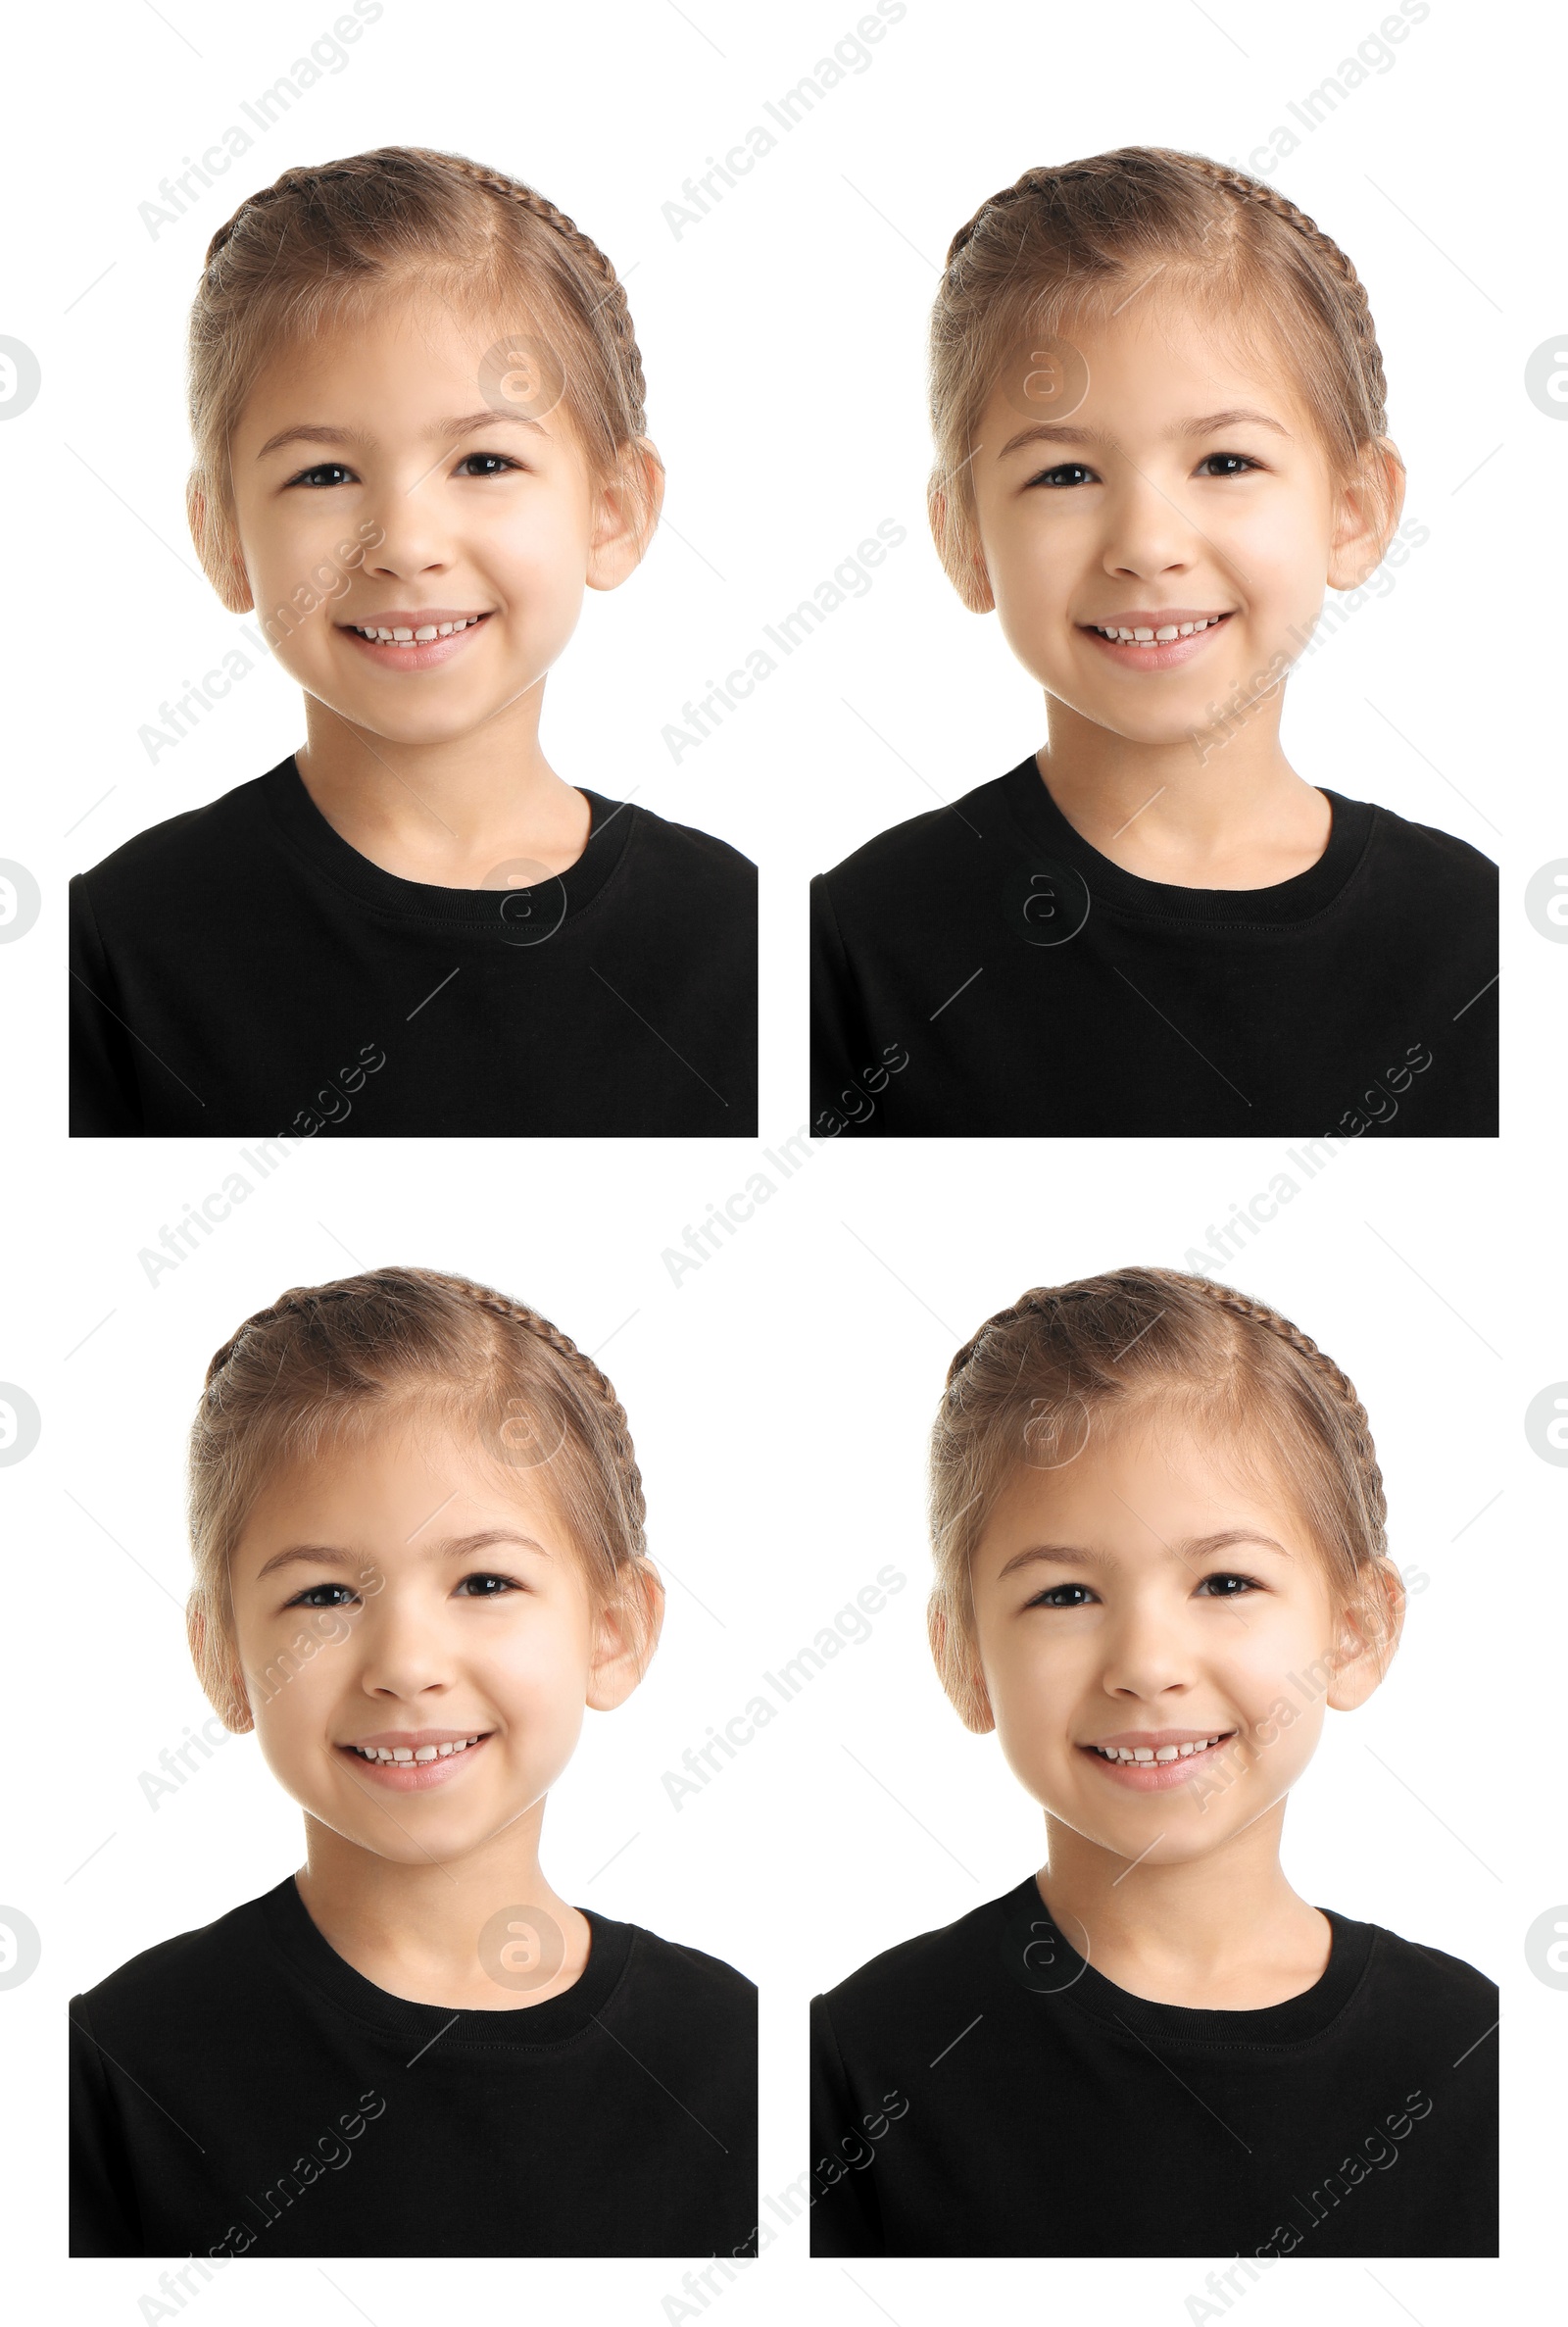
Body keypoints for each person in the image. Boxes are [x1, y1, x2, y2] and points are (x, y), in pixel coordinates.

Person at [809, 1267, 1496, 2256]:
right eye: (1065, 1595)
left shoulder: (1477, 2052)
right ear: (964, 1655)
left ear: (1354, 1629)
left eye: (1224, 1580)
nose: (1145, 1666)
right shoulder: (864, 2057)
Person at [71, 1268, 757, 2257]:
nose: (404, 1666)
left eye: (484, 1580)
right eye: (322, 1596)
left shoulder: (741, 2055)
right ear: (224, 1654)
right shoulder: (118, 2069)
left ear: (612, 1630)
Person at [809, 149, 1495, 1138]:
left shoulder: (1473, 938)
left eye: (1224, 461)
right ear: (964, 536)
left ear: (1353, 509)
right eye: (1065, 474)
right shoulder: (859, 941)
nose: (1146, 545)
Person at [71, 148, 757, 1137]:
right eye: (322, 475)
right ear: (224, 536)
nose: (403, 545)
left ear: (612, 509)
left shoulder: (739, 932)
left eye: (483, 460)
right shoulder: (118, 946)